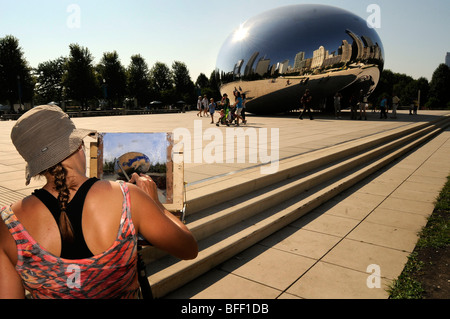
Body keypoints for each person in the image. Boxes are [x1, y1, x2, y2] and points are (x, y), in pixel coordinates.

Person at [0, 105, 198, 299]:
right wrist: (156, 203)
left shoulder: (7, 223)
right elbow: (188, 248)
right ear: (79, 145)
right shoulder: (127, 196)